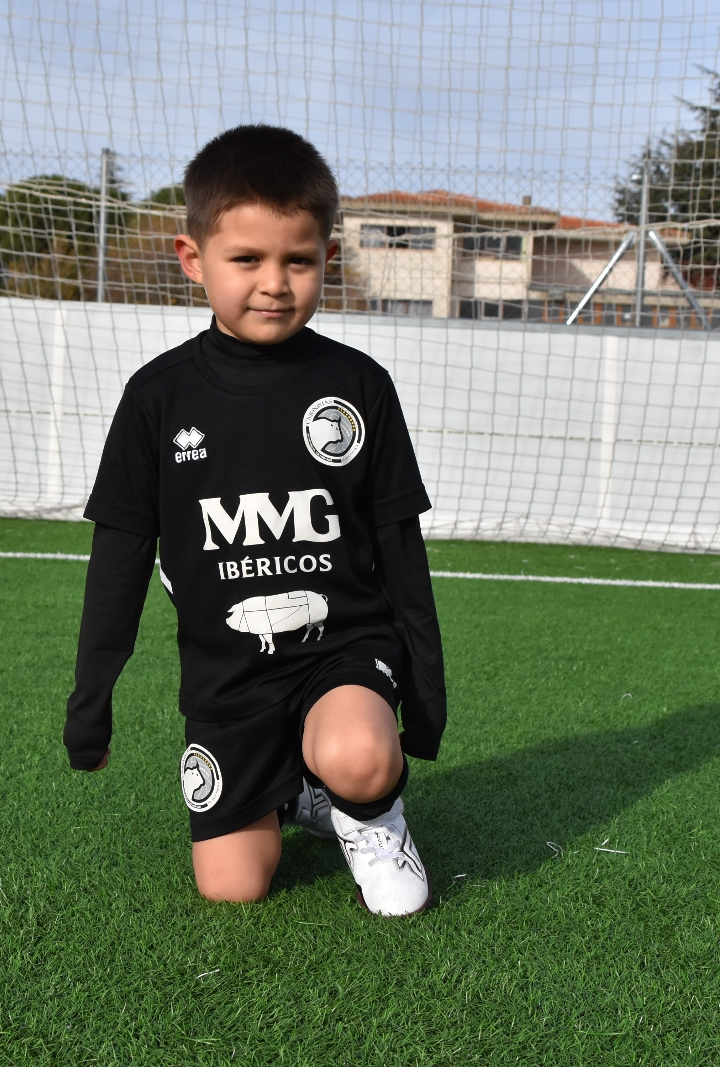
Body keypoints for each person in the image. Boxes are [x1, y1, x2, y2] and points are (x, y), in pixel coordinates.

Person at [63, 125, 446, 916]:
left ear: (326, 259)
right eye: (246, 259)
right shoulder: (156, 398)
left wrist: (424, 697)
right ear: (192, 258)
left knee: (359, 753)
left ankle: (370, 810)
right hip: (227, 681)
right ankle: (304, 792)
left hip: (342, 654)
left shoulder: (358, 386)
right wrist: (89, 704)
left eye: (297, 260)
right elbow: (118, 563)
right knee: (232, 886)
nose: (274, 283)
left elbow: (401, 553)